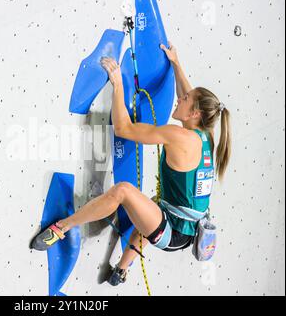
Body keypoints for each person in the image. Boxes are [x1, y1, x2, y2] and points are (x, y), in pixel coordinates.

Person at [30, 41, 231, 286]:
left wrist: (117, 85)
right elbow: (188, 94)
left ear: (194, 114)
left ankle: (61, 228)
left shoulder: (178, 136)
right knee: (146, 209)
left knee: (124, 192)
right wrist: (176, 63)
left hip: (174, 231)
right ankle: (121, 270)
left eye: (185, 100)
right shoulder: (206, 134)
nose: (179, 99)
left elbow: (124, 129)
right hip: (186, 226)